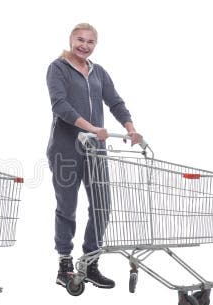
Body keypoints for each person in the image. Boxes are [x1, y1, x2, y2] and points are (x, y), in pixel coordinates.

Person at [46, 23, 142, 289]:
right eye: (80, 40)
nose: (84, 46)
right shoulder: (58, 68)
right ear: (71, 40)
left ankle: (90, 262)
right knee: (67, 207)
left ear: (95, 45)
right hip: (66, 150)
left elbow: (115, 102)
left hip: (96, 151)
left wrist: (130, 128)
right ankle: (65, 265)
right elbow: (60, 105)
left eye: (90, 42)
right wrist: (91, 128)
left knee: (102, 206)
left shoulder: (98, 72)